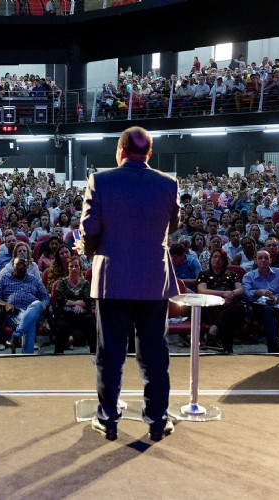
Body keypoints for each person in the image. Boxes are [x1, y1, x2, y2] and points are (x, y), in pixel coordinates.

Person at [79, 126, 179, 441]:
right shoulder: (168, 184)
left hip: (113, 279)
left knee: (110, 352)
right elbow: (173, 224)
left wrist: (90, 251)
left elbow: (90, 229)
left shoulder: (100, 181)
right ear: (149, 153)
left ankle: (108, 419)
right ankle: (157, 420)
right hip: (153, 280)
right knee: (154, 352)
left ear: (120, 151)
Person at [0, 256, 51, 354]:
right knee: (30, 325)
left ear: (27, 267)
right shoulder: (4, 278)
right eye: (18, 264)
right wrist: (5, 304)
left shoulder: (34, 280)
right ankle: (26, 354)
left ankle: (17, 334)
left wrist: (43, 306)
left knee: (38, 303)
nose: (21, 267)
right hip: (14, 312)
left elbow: (45, 297)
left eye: (24, 265)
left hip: (32, 310)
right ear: (13, 265)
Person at [242, 250, 279, 353]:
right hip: (259, 307)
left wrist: (277, 298)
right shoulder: (249, 276)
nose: (263, 260)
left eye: (266, 258)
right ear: (255, 260)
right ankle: (273, 346)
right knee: (267, 310)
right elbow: (246, 294)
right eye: (260, 258)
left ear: (270, 260)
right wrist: (258, 292)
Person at [196, 249, 247, 353]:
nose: (217, 259)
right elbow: (202, 290)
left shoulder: (231, 274)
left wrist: (230, 295)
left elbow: (240, 289)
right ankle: (227, 349)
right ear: (210, 259)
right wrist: (223, 295)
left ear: (224, 260)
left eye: (220, 257)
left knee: (239, 308)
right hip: (211, 305)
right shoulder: (203, 274)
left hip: (229, 305)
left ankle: (215, 328)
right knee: (228, 318)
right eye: (214, 257)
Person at [53, 256, 96, 354]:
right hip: (65, 314)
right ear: (67, 268)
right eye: (71, 266)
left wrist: (77, 305)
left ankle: (95, 355)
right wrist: (76, 303)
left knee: (92, 325)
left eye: (76, 266)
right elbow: (60, 299)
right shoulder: (61, 282)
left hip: (83, 313)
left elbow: (87, 300)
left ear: (80, 268)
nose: (74, 268)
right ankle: (57, 355)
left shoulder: (86, 283)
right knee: (62, 326)